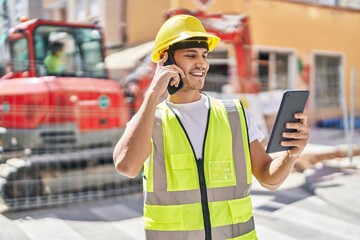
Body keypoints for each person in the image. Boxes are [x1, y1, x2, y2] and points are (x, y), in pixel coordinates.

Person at [113, 14, 310, 240]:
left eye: (204, 55)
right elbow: (126, 166)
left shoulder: (234, 114)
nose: (202, 63)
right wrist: (152, 94)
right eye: (191, 55)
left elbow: (269, 179)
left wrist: (291, 155)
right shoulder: (150, 121)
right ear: (165, 61)